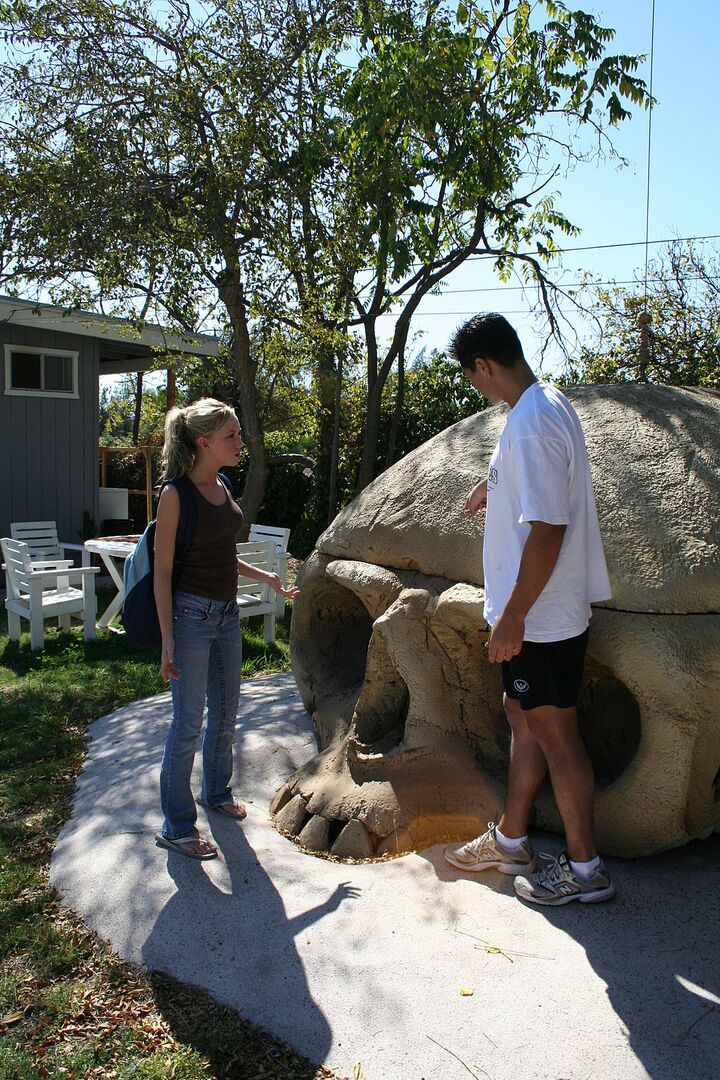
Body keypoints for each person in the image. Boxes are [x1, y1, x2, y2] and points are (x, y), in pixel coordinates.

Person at [443, 314, 615, 905]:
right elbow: (537, 488)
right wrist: (490, 488)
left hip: (539, 618)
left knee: (557, 734)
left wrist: (514, 615)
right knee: (521, 715)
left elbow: (547, 527)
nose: (475, 387)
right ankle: (513, 840)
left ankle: (587, 871)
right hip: (534, 613)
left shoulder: (535, 421)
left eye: (472, 377)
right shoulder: (539, 407)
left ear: (484, 366)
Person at [153, 398, 299, 860]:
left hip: (226, 615)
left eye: (238, 433)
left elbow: (219, 552)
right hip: (191, 619)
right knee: (187, 725)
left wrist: (266, 578)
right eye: (232, 436)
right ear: (204, 442)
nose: (241, 442)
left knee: (227, 714)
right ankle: (177, 827)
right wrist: (167, 637)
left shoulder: (223, 484)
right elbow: (163, 571)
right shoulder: (175, 494)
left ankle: (215, 793)